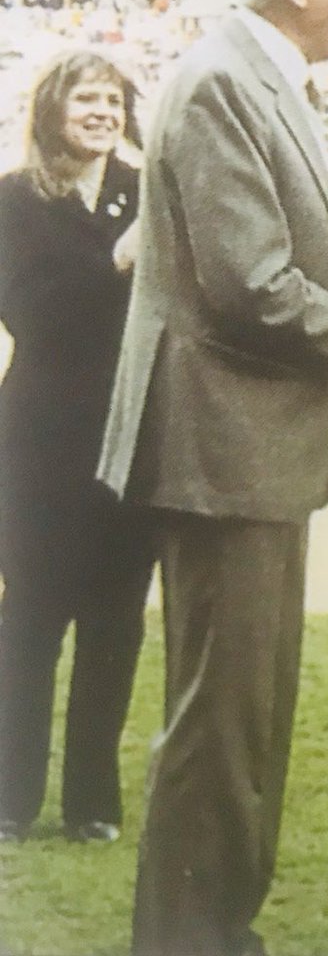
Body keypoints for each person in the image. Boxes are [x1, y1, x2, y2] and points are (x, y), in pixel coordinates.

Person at [96, 0, 328, 956]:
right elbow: (248, 286)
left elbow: (279, 269)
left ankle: (213, 933)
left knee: (244, 721)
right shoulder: (224, 80)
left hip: (245, 453)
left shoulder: (252, 76)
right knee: (219, 728)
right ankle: (191, 941)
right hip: (220, 451)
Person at [0, 50, 152, 845]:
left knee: (116, 619)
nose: (103, 111)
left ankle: (92, 803)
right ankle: (11, 799)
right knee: (29, 617)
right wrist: (117, 261)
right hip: (41, 438)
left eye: (114, 99)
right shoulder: (15, 199)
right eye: (86, 98)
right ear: (52, 110)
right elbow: (30, 314)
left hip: (133, 431)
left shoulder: (149, 192)